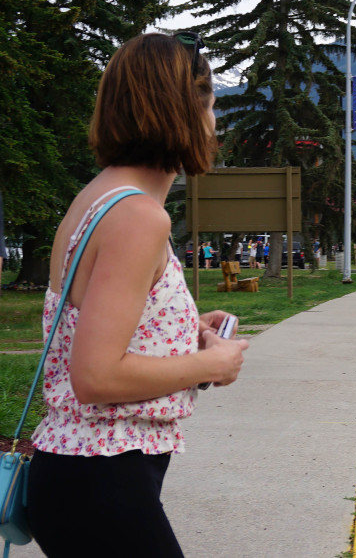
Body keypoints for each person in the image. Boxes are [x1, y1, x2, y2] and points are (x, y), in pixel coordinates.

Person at [26, 32, 249, 557]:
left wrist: (183, 332)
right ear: (184, 108)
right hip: (101, 479)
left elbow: (100, 327)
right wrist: (213, 365)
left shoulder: (100, 197)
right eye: (212, 104)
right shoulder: (138, 216)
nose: (215, 123)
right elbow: (96, 376)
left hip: (86, 475)